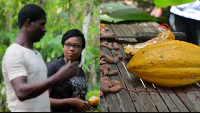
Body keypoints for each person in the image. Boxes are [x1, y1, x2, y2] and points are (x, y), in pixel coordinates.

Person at [2, 4, 79, 112]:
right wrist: (58, 77)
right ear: (28, 24)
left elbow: (42, 92)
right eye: (42, 24)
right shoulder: (14, 53)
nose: (44, 30)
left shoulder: (36, 54)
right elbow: (21, 92)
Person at [47, 29, 91, 112]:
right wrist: (71, 102)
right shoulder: (53, 67)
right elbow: (43, 100)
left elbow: (79, 96)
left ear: (82, 49)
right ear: (63, 46)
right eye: (68, 45)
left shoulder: (80, 71)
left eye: (76, 46)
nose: (71, 49)